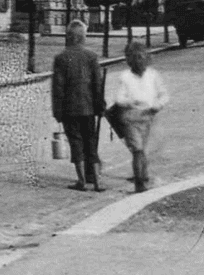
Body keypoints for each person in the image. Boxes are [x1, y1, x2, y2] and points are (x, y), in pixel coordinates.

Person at [105, 42, 170, 192]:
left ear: (147, 59)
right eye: (134, 58)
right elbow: (119, 98)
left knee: (143, 149)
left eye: (141, 58)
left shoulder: (153, 75)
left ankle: (143, 174)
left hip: (147, 117)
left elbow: (164, 94)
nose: (139, 61)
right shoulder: (125, 77)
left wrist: (158, 104)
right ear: (129, 61)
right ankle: (139, 182)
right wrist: (131, 102)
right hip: (130, 117)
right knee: (137, 150)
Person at [50, 21, 107, 191]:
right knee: (90, 142)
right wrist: (100, 106)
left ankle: (81, 181)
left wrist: (57, 111)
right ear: (83, 37)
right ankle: (97, 181)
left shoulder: (60, 58)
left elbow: (58, 88)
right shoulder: (91, 57)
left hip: (69, 109)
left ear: (69, 37)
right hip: (89, 108)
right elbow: (97, 85)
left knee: (75, 143)